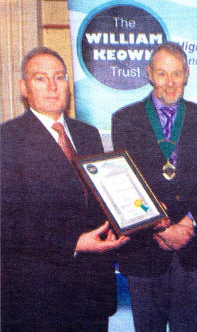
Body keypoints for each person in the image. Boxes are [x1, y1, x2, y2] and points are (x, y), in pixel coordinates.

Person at [1, 47, 129, 331]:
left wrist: (122, 221)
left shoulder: (88, 134)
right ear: (23, 87)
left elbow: (97, 204)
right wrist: (73, 242)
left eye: (59, 77)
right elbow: (8, 225)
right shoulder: (6, 140)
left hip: (93, 291)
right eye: (40, 78)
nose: (52, 86)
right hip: (37, 297)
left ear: (68, 84)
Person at [111, 42, 197, 332]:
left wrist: (188, 221)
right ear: (149, 74)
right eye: (162, 74)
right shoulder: (124, 120)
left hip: (192, 246)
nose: (170, 83)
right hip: (144, 250)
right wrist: (160, 227)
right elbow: (125, 186)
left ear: (187, 74)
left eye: (176, 74)